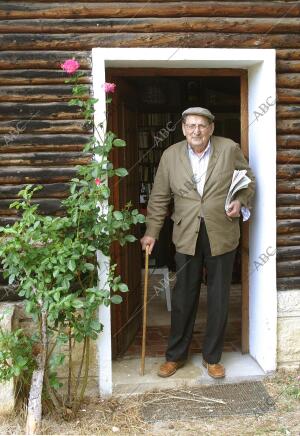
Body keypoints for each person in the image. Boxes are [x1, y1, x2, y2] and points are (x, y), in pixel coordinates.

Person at [140, 107, 255, 379]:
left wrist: (240, 201)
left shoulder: (229, 149)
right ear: (183, 129)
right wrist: (151, 232)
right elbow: (158, 198)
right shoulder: (170, 156)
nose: (196, 131)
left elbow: (248, 181)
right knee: (183, 297)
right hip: (186, 234)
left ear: (211, 128)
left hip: (221, 233)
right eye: (191, 126)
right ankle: (176, 356)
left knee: (218, 296)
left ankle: (212, 357)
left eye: (202, 125)